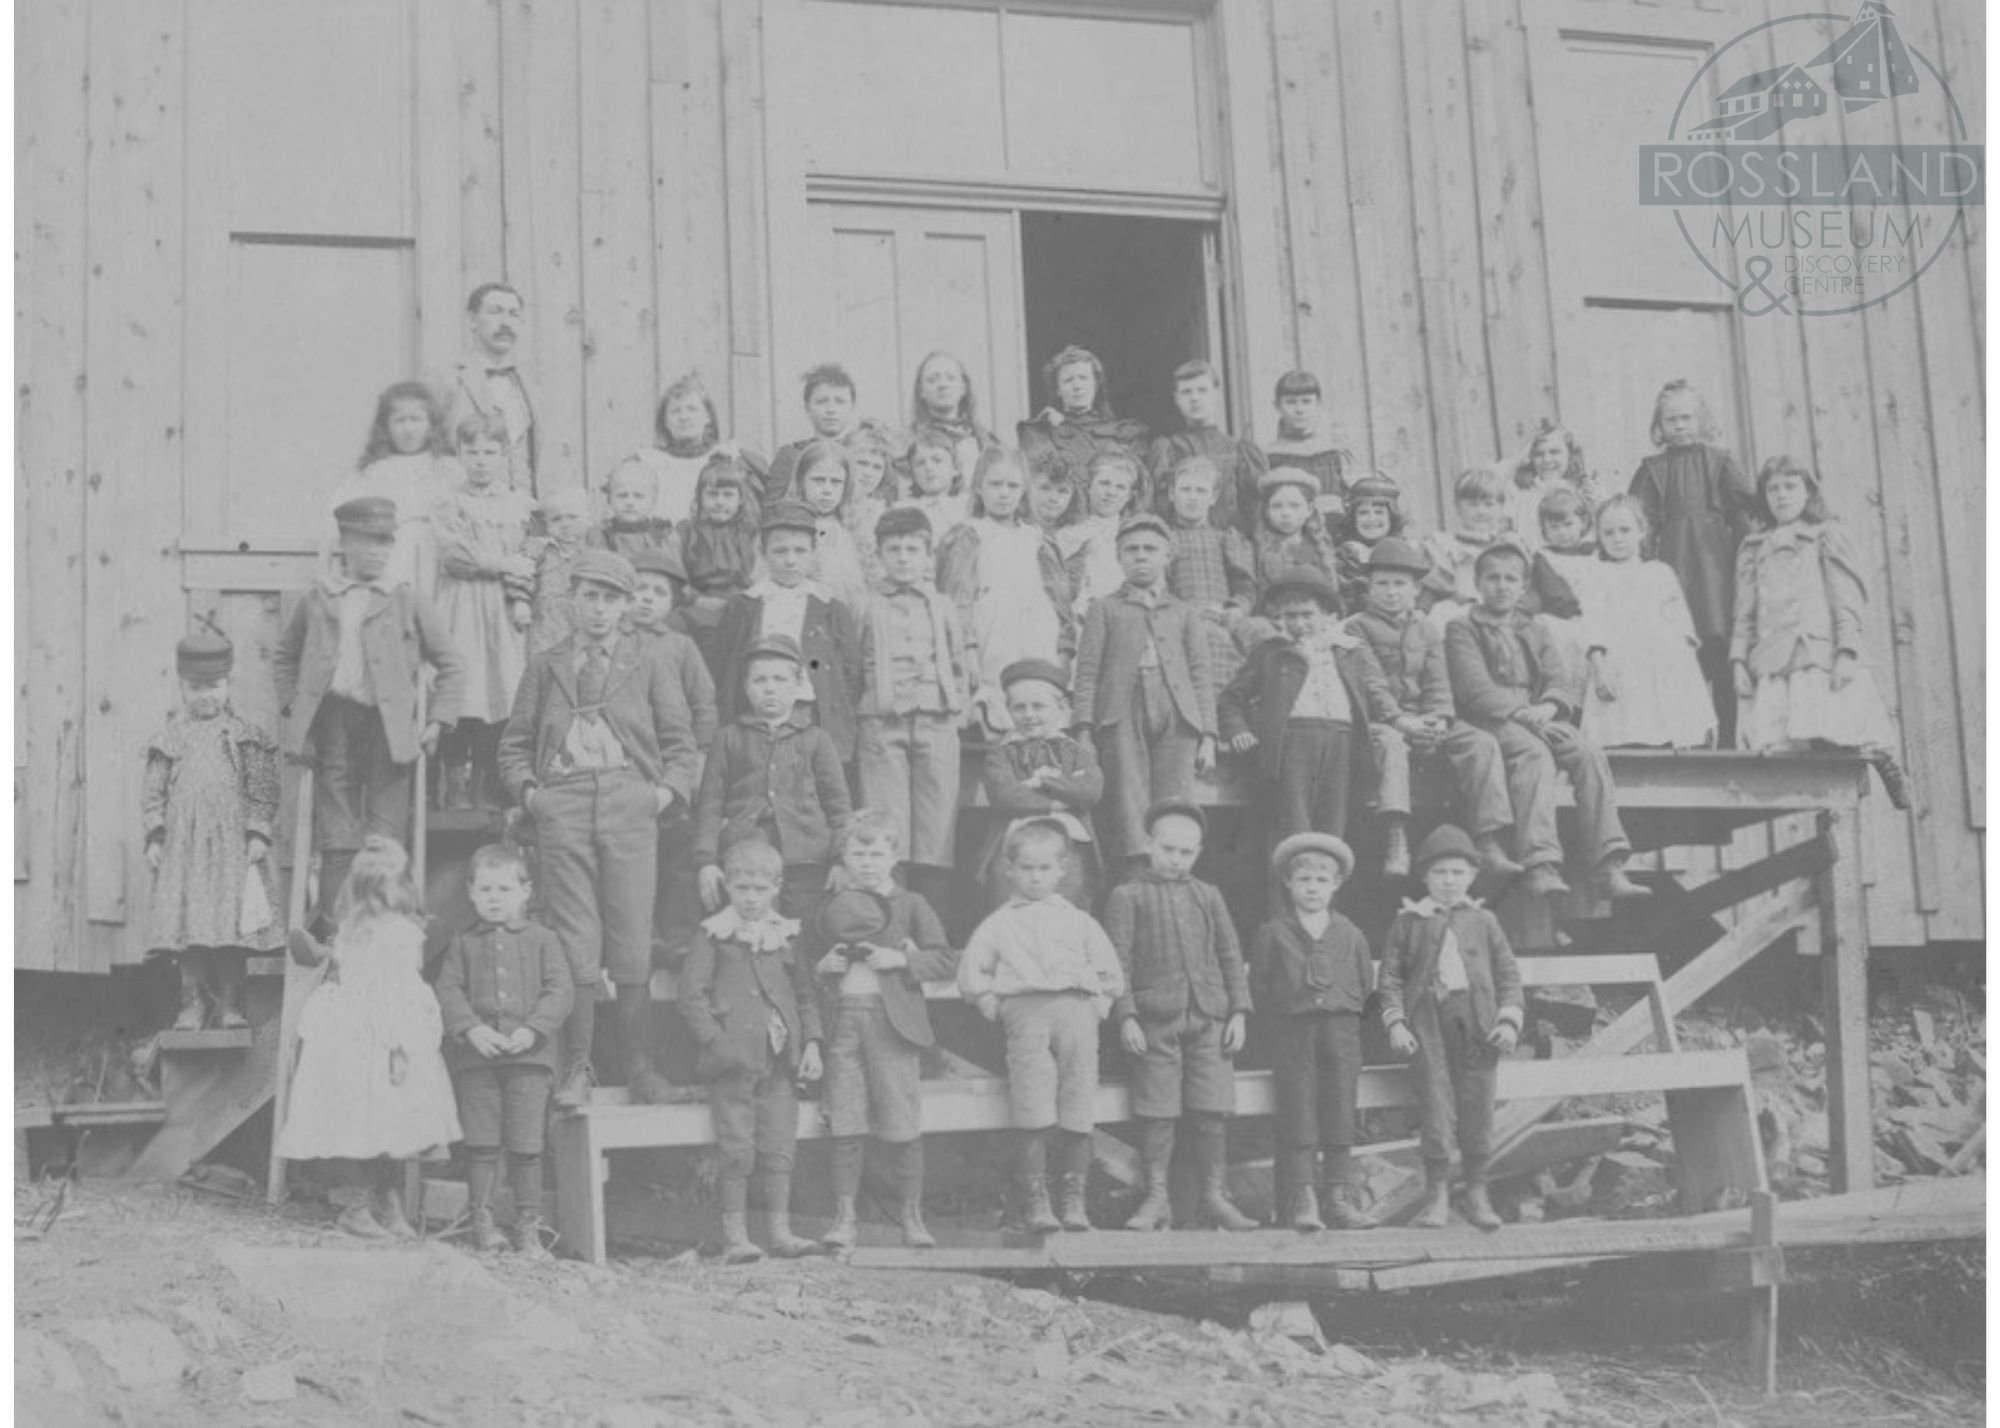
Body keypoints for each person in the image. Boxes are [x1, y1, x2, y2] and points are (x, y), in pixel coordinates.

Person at [498, 549, 701, 1108]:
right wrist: (533, 796)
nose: (599, 610)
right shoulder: (546, 664)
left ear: (627, 606)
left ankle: (642, 1070)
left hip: (629, 804)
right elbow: (514, 745)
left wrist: (660, 794)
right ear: (573, 600)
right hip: (562, 804)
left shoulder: (649, 661)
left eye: (611, 599)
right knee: (576, 942)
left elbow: (682, 745)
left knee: (632, 939)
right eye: (590, 596)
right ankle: (579, 1067)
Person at [274, 496, 465, 932]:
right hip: (334, 722)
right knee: (337, 835)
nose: (378, 551)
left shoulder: (404, 599)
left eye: (385, 543)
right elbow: (285, 657)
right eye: (368, 542)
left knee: (384, 834)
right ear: (346, 544)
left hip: (389, 729)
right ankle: (336, 934)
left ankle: (384, 929)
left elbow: (451, 664)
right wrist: (294, 706)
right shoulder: (320, 599)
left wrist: (438, 720)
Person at [279, 836, 461, 1240]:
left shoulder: (402, 931)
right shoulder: (356, 932)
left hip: (394, 1035)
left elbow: (405, 989)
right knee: (360, 1121)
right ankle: (357, 1206)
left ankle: (389, 1203)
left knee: (395, 1125)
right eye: (382, 887)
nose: (394, 894)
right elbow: (367, 987)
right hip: (363, 1040)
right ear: (367, 891)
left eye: (398, 884)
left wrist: (410, 1040)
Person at [1444, 543, 1648, 900]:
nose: (1502, 586)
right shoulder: (1463, 627)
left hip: (1537, 714)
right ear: (1477, 583)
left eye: (1511, 579)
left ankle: (1608, 863)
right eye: (1493, 578)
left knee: (1587, 752)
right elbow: (1473, 688)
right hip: (1491, 718)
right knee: (1533, 754)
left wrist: (1551, 707)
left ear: (1523, 586)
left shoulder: (1534, 628)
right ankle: (1540, 863)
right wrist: (1524, 716)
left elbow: (1559, 678)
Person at [958, 821, 1124, 1233]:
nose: (1036, 877)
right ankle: (1037, 1202)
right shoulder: (999, 924)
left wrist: (1098, 1006)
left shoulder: (1079, 921)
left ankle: (1073, 1202)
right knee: (1032, 1107)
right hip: (1026, 1014)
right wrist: (990, 1001)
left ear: (1061, 869)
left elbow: (1109, 971)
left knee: (1078, 1106)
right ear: (1009, 869)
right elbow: (972, 971)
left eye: (1045, 868)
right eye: (1027, 868)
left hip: (1076, 1014)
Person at [804, 812, 958, 1250]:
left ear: (894, 856)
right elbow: (805, 965)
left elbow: (946, 959)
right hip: (844, 1022)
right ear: (844, 857)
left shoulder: (911, 905)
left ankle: (912, 1219)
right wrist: (822, 968)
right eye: (858, 852)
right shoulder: (831, 907)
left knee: (901, 1120)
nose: (868, 862)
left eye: (877, 853)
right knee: (846, 1121)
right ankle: (844, 1218)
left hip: (893, 1024)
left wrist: (902, 961)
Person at [1106, 802, 1256, 1231]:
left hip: (1210, 1017)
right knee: (1157, 1111)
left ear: (1199, 852)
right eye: (1168, 849)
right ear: (1149, 844)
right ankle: (1156, 1198)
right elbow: (1117, 962)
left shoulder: (1208, 895)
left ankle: (1214, 1197)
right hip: (1155, 1020)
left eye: (1186, 853)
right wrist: (1127, 1016)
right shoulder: (1127, 895)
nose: (1176, 860)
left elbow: (1230, 954)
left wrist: (1239, 1012)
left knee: (1212, 1110)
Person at [1730, 456, 1911, 807]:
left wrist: (1847, 652)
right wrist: (1738, 659)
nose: (1781, 496)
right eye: (1773, 488)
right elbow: (1744, 611)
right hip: (1773, 657)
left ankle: (1884, 762)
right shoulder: (1753, 547)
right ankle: (1825, 807)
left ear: (1808, 492)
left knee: (1837, 727)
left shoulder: (1826, 535)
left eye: (1790, 486)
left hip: (1816, 653)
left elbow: (1847, 600)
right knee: (1787, 743)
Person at [678, 838, 825, 1263]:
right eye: (742, 888)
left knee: (780, 1144)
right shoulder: (714, 935)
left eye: (760, 889)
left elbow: (806, 996)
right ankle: (736, 1237)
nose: (751, 898)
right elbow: (692, 996)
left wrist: (812, 1042)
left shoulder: (785, 935)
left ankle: (781, 1231)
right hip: (733, 1064)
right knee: (737, 1147)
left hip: (781, 1061)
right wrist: (717, 1042)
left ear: (776, 887)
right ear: (728, 887)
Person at [1376, 824, 1524, 1230]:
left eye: (1458, 872)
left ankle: (1477, 1193)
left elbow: (1509, 977)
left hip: (1478, 1023)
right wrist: (1396, 1024)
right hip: (1427, 1025)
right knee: (1437, 1104)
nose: (1449, 881)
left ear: (1472, 876)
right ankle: (1437, 1196)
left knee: (1477, 1104)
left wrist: (1508, 1022)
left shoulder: (1484, 920)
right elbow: (1389, 979)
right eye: (1440, 873)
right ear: (1424, 877)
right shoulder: (1409, 922)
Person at [1345, 538, 1520, 879]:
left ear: (1415, 589)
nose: (1392, 592)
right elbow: (1371, 684)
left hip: (1426, 717)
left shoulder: (1426, 628)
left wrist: (1439, 719)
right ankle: (1397, 839)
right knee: (1392, 746)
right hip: (1380, 722)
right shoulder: (1357, 627)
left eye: (1400, 585)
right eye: (1383, 584)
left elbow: (1438, 680)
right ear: (1369, 589)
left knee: (1481, 743)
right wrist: (1401, 721)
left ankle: (1488, 839)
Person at [432, 843, 572, 1259]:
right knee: (482, 1144)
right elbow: (448, 990)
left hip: (530, 1061)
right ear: (472, 894)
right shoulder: (462, 944)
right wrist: (471, 1029)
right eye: (486, 889)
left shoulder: (545, 940)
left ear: (526, 891)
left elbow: (560, 991)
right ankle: (483, 1224)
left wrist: (533, 1030)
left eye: (505, 889)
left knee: (527, 1146)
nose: (494, 898)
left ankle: (529, 1229)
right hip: (478, 1061)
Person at [143, 623, 283, 1031]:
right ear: (182, 688)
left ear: (228, 684)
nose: (206, 697)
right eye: (196, 689)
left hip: (232, 852)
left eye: (215, 687)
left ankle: (230, 1006)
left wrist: (257, 832)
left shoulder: (243, 736)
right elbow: (153, 795)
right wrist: (155, 835)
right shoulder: (170, 739)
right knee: (191, 929)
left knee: (231, 930)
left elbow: (262, 790)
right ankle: (191, 1004)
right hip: (185, 854)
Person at [1071, 513, 1217, 874]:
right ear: (1119, 558)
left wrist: (1209, 735)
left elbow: (1200, 674)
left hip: (1177, 713)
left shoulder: (1184, 612)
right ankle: (1134, 884)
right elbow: (1087, 673)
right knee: (1127, 802)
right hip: (1121, 711)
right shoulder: (1103, 609)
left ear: (1167, 556)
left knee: (1175, 802)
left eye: (1150, 549)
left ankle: (1174, 880)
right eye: (1131, 550)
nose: (1141, 556)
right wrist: (1083, 731)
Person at [1218, 567, 1385, 867]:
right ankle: (1287, 910)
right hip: (1291, 746)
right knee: (1294, 830)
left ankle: (1325, 909)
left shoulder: (1348, 651)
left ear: (1327, 614)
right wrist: (1238, 730)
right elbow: (1231, 699)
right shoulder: (1271, 652)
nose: (1299, 624)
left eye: (1308, 615)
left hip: (1341, 744)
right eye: (1290, 616)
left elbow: (1375, 694)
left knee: (1333, 831)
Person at [1249, 833, 1374, 1231]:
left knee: (1340, 1109)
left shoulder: (1350, 934)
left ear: (1336, 885)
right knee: (1298, 1110)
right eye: (1304, 880)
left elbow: (1365, 984)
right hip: (1293, 1034)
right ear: (1289, 883)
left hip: (1340, 1033)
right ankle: (1303, 1196)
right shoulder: (1273, 933)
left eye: (1321, 881)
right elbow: (1261, 988)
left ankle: (1337, 1196)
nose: (1312, 888)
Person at [1628, 378, 1756, 744]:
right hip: (1673, 566)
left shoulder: (1720, 460)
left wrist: (1745, 561)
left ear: (1702, 419)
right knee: (1681, 650)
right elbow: (1638, 518)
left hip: (1715, 567)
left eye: (1687, 417)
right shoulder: (1652, 468)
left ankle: (1729, 739)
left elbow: (1743, 511)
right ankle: (1692, 738)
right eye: (1671, 420)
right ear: (1659, 426)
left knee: (1720, 643)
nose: (1680, 426)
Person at [856, 506, 969, 910]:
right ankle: (890, 917)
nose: (903, 557)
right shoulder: (863, 605)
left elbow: (959, 662)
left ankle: (930, 924)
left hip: (937, 720)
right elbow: (851, 663)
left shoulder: (941, 605)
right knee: (888, 823)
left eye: (912, 549)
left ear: (928, 556)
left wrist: (960, 710)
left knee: (937, 826)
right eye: (893, 549)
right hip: (882, 724)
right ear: (879, 555)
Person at [695, 633, 853, 919]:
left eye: (780, 680)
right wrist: (706, 861)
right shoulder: (729, 738)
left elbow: (838, 806)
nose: (770, 689)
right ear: (746, 687)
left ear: (798, 685)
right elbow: (710, 805)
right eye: (760, 680)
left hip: (806, 856)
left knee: (803, 929)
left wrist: (841, 859)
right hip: (745, 853)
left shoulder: (817, 739)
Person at [432, 412, 537, 810]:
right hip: (460, 607)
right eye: (471, 451)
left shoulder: (518, 505)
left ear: (503, 455)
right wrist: (504, 564)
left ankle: (485, 785)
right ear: (459, 454)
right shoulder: (449, 503)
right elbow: (455, 555)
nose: (480, 459)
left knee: (499, 694)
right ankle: (455, 780)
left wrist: (521, 583)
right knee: (462, 694)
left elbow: (530, 555)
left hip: (503, 611)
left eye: (489, 452)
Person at [714, 500, 864, 769]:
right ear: (763, 552)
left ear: (813, 552)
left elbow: (851, 671)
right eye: (780, 551)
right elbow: (724, 666)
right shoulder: (743, 606)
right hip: (755, 715)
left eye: (800, 551)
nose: (790, 560)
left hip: (812, 712)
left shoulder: (830, 607)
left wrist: (832, 705)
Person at [627, 546, 720, 971]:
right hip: (627, 767)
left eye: (657, 592)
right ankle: (642, 936)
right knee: (633, 854)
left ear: (671, 602)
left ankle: (681, 936)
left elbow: (704, 703)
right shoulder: (611, 642)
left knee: (678, 854)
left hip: (675, 766)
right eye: (637, 590)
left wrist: (699, 755)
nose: (646, 599)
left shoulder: (680, 647)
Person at [937, 447, 1072, 737]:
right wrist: (967, 650)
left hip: (1037, 635)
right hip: (992, 637)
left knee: (1037, 709)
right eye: (995, 485)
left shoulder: (1037, 538)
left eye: (1013, 486)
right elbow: (957, 600)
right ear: (978, 487)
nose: (1004, 494)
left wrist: (1063, 650)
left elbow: (1060, 599)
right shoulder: (969, 535)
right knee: (998, 712)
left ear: (1024, 491)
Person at [1583, 495, 1714, 748]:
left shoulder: (1659, 572)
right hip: (1618, 663)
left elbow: (1679, 625)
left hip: (1660, 663)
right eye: (1608, 533)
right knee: (1622, 728)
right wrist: (1600, 669)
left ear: (1641, 531)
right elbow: (1593, 626)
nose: (1617, 539)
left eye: (1625, 530)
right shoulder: (1598, 574)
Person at [976, 659, 1105, 911]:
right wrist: (1061, 800)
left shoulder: (1075, 751)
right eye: (1019, 708)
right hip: (1014, 844)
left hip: (1069, 846)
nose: (1029, 715)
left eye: (1038, 706)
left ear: (1061, 708)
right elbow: (1007, 797)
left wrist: (1041, 781)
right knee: (1011, 908)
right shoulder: (1001, 753)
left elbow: (1090, 791)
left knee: (1070, 906)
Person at [329, 380, 458, 598]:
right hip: (393, 563)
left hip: (441, 565)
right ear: (386, 426)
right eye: (400, 421)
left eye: (416, 419)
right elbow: (336, 520)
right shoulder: (371, 474)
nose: (409, 429)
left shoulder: (450, 470)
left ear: (431, 424)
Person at [603, 372, 767, 530]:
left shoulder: (730, 458)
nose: (684, 417)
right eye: (675, 411)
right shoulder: (645, 462)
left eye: (692, 409)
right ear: (665, 421)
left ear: (708, 416)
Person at [430, 282, 544, 496]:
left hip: (524, 512)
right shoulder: (444, 379)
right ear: (472, 320)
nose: (505, 323)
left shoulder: (530, 386)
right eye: (495, 312)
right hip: (463, 513)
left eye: (513, 314)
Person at [1162, 455, 1259, 686]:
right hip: (1179, 625)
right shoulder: (1165, 539)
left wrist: (1234, 610)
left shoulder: (1227, 538)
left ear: (1213, 497)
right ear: (1171, 494)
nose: (1193, 497)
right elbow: (1159, 587)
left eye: (1200, 491)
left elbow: (1245, 588)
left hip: (1222, 622)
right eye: (1185, 490)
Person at [1148, 360, 1268, 537]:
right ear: (1177, 398)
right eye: (1186, 392)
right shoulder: (1168, 448)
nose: (1194, 398)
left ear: (1217, 395)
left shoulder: (1241, 450)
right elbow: (1159, 508)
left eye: (1202, 390)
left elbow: (1256, 512)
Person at [1016, 344, 1151, 496]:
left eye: (1083, 378)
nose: (1077, 386)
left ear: (1096, 384)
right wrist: (1062, 428)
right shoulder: (1039, 431)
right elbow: (1051, 479)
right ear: (1058, 390)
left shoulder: (1123, 432)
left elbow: (1137, 485)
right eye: (1068, 380)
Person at [675, 452, 766, 676]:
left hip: (739, 603)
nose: (720, 502)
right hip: (699, 603)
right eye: (712, 494)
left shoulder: (749, 533)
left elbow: (757, 577)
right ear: (700, 497)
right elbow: (677, 576)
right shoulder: (687, 532)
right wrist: (697, 599)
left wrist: (740, 599)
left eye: (728, 495)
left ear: (740, 499)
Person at [779, 439, 870, 609]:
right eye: (818, 480)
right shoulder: (788, 530)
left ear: (846, 485)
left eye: (835, 482)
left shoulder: (853, 529)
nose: (827, 489)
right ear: (801, 482)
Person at [1054, 449, 1144, 621]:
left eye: (1120, 487)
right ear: (1089, 486)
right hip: (1083, 616)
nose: (1111, 492)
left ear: (1129, 496)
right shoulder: (1072, 532)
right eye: (1104, 483)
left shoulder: (1134, 534)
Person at [1421, 467, 1510, 633]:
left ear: (1501, 507)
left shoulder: (1507, 546)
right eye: (1472, 504)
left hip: (1502, 608)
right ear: (1457, 507)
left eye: (1488, 504)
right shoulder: (1446, 546)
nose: (1481, 511)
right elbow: (1436, 586)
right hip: (1461, 608)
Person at [1262, 370, 1359, 519]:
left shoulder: (1334, 454)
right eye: (1291, 402)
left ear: (1319, 404)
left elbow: (1352, 502)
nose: (1299, 409)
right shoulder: (1268, 457)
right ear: (1277, 406)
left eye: (1306, 401)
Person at [907, 350, 999, 494]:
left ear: (963, 388)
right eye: (932, 380)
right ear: (921, 391)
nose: (942, 385)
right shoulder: (908, 441)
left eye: (950, 378)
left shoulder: (984, 440)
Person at [769, 364, 864, 500]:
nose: (831, 409)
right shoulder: (790, 455)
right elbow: (773, 508)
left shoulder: (864, 456)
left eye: (840, 402)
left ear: (852, 407)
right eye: (821, 402)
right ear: (807, 408)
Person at [1251, 466, 1342, 604]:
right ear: (1266, 510)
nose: (1286, 513)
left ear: (1309, 509)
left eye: (1294, 506)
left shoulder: (1319, 547)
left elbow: (1331, 589)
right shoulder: (1257, 548)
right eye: (1277, 506)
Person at [1505, 420, 1602, 548]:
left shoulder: (1584, 489)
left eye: (1555, 452)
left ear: (1570, 454)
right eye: (1539, 454)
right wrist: (1521, 458)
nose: (1547, 460)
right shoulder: (1520, 491)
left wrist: (1596, 505)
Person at [524, 488, 590, 660]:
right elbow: (524, 580)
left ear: (587, 518)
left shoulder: (591, 555)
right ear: (546, 524)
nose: (565, 524)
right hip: (546, 625)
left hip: (580, 624)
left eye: (572, 517)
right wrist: (521, 602)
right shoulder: (540, 551)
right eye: (556, 519)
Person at [1332, 472, 1410, 615]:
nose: (1371, 519)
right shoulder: (1345, 555)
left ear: (1391, 517)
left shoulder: (1407, 551)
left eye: (1379, 512)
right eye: (1363, 513)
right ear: (1353, 518)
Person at [589, 461, 674, 561]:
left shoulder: (663, 536)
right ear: (610, 499)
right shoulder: (600, 535)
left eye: (639, 496)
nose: (630, 502)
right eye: (622, 495)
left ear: (653, 501)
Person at [900, 426, 972, 537]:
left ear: (955, 468)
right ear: (912, 474)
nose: (928, 467)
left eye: (937, 460)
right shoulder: (906, 510)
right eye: (920, 463)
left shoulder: (967, 506)